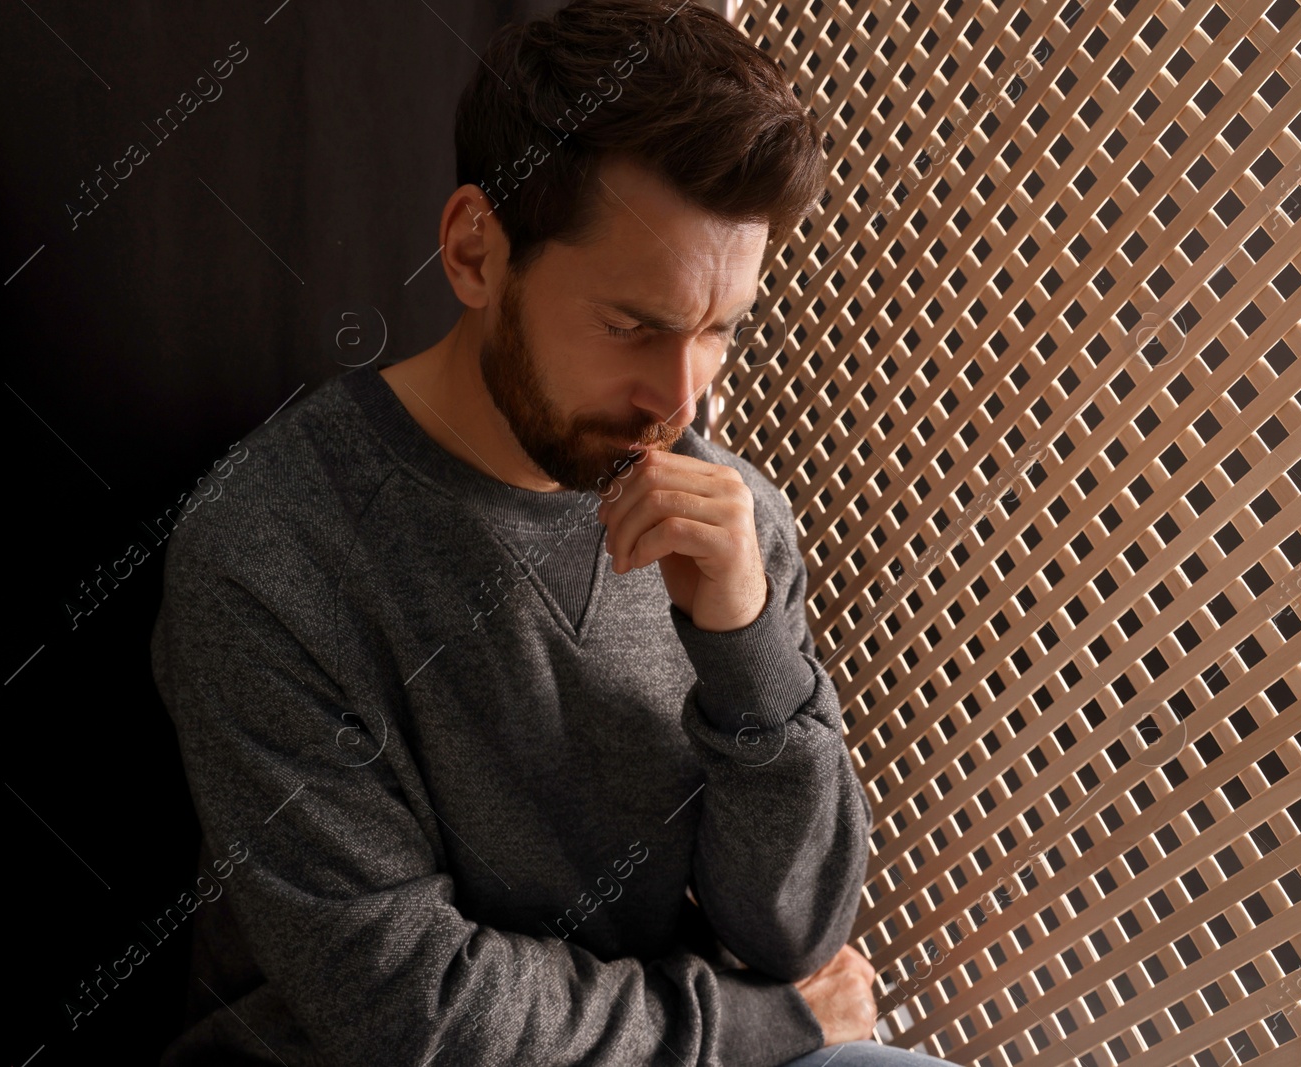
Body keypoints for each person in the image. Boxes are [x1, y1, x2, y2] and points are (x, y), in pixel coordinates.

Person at [150, 1, 959, 1063]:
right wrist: (765, 1024)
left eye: (718, 329)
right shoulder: (269, 553)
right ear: (476, 251)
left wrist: (746, 644)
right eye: (633, 326)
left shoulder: (730, 517)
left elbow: (796, 929)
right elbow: (411, 1010)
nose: (678, 396)